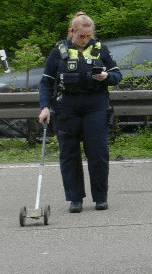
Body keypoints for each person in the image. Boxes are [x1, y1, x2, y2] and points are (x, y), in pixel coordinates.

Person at [36, 12, 122, 212]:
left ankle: (100, 197)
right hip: (66, 105)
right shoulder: (59, 51)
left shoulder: (101, 49)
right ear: (71, 31)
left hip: (96, 105)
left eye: (88, 35)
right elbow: (46, 82)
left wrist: (106, 76)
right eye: (81, 36)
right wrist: (45, 107)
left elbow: (117, 75)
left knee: (98, 152)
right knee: (69, 153)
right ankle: (75, 199)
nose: (85, 39)